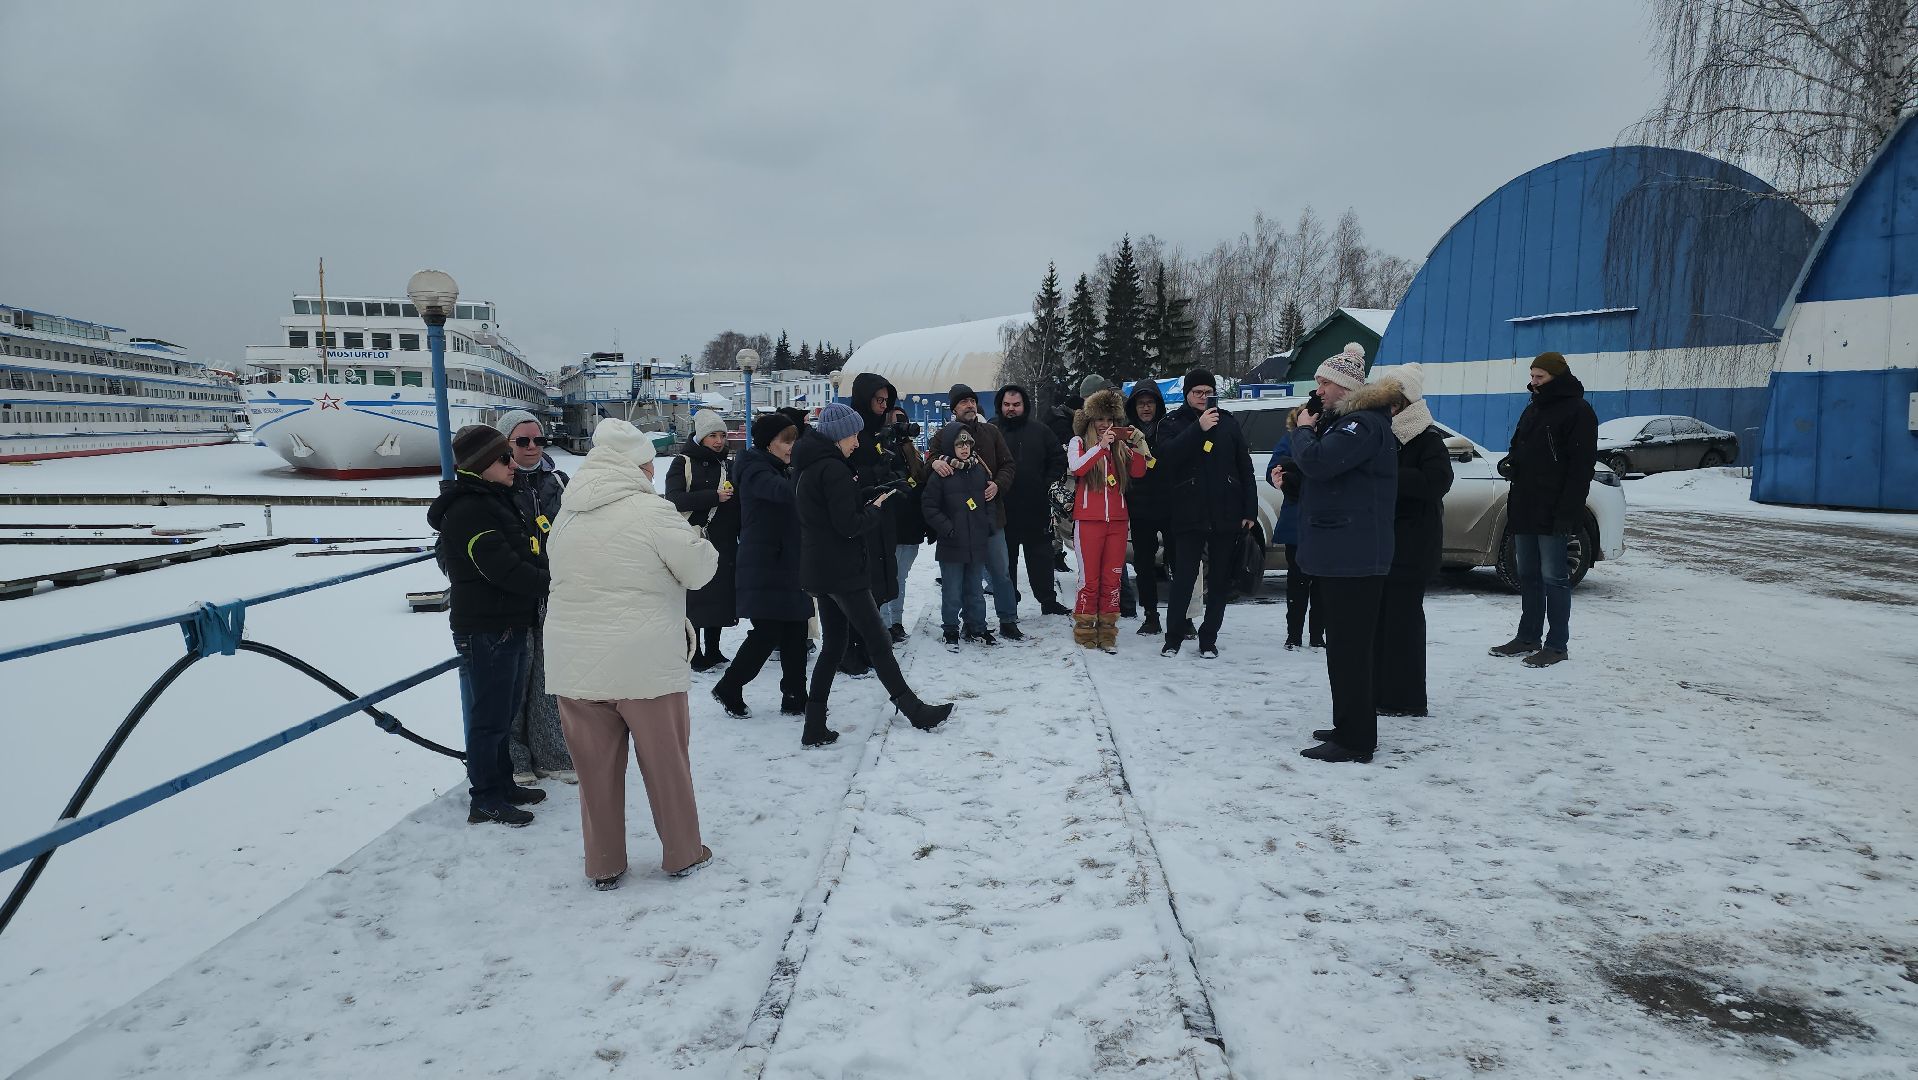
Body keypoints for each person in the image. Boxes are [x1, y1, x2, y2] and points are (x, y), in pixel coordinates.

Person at [544, 419, 717, 888]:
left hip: (574, 662)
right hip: (645, 664)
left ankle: (603, 863)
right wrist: (702, 542)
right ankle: (682, 852)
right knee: (666, 766)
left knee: (594, 773)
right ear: (640, 465)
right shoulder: (653, 511)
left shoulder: (567, 514)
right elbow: (698, 571)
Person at [794, 403, 953, 744]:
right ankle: (914, 710)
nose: (857, 442)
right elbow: (848, 524)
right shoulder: (833, 469)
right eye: (853, 435)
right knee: (878, 641)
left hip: (822, 569)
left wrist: (872, 493)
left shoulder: (812, 465)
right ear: (838, 435)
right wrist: (875, 511)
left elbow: (831, 510)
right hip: (843, 570)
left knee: (833, 646)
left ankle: (813, 724)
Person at [425, 425, 552, 827]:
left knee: (504, 712)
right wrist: (556, 581)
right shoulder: (471, 510)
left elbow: (522, 555)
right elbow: (503, 569)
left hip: (507, 621)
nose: (513, 464)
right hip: (487, 627)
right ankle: (484, 798)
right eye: (504, 458)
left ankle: (502, 784)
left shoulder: (495, 499)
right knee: (490, 718)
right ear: (481, 465)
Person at [1289, 346, 1398, 764]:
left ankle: (1355, 740)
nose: (1318, 390)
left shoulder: (1363, 424)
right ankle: (1349, 724)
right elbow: (1331, 478)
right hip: (1343, 553)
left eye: (1325, 383)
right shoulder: (1350, 423)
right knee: (1343, 648)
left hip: (1355, 556)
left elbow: (1319, 462)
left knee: (1350, 650)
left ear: (1347, 387)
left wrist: (1302, 431)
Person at [1490, 352, 1597, 668]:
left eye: (1540, 377)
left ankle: (1556, 645)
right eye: (1532, 376)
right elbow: (1521, 448)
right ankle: (1527, 637)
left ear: (1556, 376)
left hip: (1554, 509)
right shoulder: (1534, 408)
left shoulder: (1578, 411)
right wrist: (1511, 463)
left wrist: (1568, 513)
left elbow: (1580, 469)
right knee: (1528, 574)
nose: (1534, 382)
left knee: (1554, 577)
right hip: (1525, 505)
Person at [493, 409, 575, 786]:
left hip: (554, 591)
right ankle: (515, 758)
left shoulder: (558, 481)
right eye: (522, 441)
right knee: (513, 680)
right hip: (513, 593)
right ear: (504, 444)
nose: (532, 447)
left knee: (549, 676)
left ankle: (552, 753)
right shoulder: (496, 483)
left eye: (538, 440)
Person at [712, 413, 812, 719]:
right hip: (764, 564)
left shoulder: (778, 467)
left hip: (785, 562)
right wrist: (809, 475)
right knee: (767, 632)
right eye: (787, 441)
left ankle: (795, 696)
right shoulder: (755, 468)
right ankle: (729, 686)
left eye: (795, 440)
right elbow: (783, 492)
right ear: (769, 443)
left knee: (796, 629)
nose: (792, 447)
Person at [1153, 369, 1257, 658]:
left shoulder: (1229, 423)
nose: (1202, 397)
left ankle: (1209, 639)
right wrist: (1198, 428)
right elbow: (1167, 457)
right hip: (1189, 511)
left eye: (1207, 392)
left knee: (1220, 580)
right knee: (1184, 578)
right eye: (1196, 392)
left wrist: (1249, 508)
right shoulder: (1172, 423)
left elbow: (1245, 467)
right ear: (1186, 394)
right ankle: (1173, 637)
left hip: (1226, 511)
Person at [1371, 365, 1454, 715]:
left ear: (1406, 402)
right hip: (1387, 542)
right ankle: (1382, 691)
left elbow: (1438, 482)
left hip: (1413, 544)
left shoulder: (1427, 437)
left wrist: (1389, 475)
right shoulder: (1383, 434)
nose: (1387, 407)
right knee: (1383, 622)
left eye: (1393, 401)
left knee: (1403, 623)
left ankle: (1406, 698)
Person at [927, 384, 1023, 641]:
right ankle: (971, 623)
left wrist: (997, 485)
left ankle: (1008, 620)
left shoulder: (991, 432)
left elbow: (1008, 464)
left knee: (1001, 572)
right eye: (963, 402)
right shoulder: (943, 435)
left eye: (972, 400)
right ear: (954, 409)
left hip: (991, 517)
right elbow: (928, 463)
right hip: (959, 521)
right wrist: (934, 463)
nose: (969, 405)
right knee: (968, 578)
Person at [1065, 389, 1150, 651]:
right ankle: (1084, 628)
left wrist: (1138, 444)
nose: (1105, 424)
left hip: (1117, 522)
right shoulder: (1079, 442)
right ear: (1090, 420)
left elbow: (1140, 471)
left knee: (1112, 580)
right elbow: (1077, 467)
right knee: (1089, 580)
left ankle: (1108, 630)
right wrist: (1100, 448)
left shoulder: (1119, 446)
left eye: (1110, 419)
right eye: (1100, 419)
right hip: (1088, 522)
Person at [841, 373, 909, 675]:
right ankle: (849, 650)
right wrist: (875, 476)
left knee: (878, 586)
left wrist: (893, 476)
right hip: (859, 520)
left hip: (881, 517)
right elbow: (845, 475)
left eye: (886, 401)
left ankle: (866, 646)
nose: (883, 406)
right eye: (878, 400)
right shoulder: (851, 433)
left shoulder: (881, 433)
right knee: (859, 588)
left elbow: (896, 466)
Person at [664, 409, 740, 672]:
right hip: (693, 538)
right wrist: (713, 496)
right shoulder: (682, 463)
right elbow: (673, 499)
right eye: (712, 436)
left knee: (719, 597)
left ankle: (714, 649)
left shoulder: (727, 464)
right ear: (700, 436)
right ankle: (694, 652)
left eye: (722, 436)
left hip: (722, 539)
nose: (718, 441)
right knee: (695, 598)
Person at [991, 384, 1070, 617]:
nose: (1011, 409)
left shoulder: (1041, 431)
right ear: (1000, 406)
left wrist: (1046, 484)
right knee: (1006, 561)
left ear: (1024, 406)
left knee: (1041, 557)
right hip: (1002, 508)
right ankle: (1009, 603)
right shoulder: (991, 431)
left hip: (1036, 507)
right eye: (1007, 405)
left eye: (1016, 405)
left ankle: (1048, 601)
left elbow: (1058, 459)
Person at [921, 428, 997, 647]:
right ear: (950, 447)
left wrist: (987, 524)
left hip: (976, 542)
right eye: (959, 445)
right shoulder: (941, 474)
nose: (964, 449)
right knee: (952, 590)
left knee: (975, 590)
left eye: (967, 444)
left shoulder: (979, 470)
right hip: (952, 544)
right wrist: (948, 529)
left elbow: (989, 501)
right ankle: (950, 628)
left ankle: (977, 626)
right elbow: (929, 506)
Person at [1266, 405, 1325, 651]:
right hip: (1297, 522)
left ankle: (1317, 635)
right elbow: (1274, 469)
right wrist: (1288, 472)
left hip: (1325, 524)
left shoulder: (1331, 440)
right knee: (1297, 582)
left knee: (1322, 584)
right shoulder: (1291, 439)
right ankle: (1294, 635)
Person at [877, 407, 931, 644]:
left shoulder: (912, 451)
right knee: (888, 576)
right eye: (895, 421)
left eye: (903, 421)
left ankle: (896, 622)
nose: (901, 426)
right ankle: (885, 624)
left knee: (901, 577)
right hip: (890, 521)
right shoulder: (881, 448)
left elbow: (920, 481)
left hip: (911, 523)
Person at [1124, 381, 1173, 636]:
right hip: (1140, 507)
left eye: (1150, 403)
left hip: (1169, 505)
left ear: (1158, 405)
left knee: (1177, 562)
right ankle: (1151, 615)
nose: (1145, 408)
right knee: (1143, 564)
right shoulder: (1127, 434)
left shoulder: (1168, 428)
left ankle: (1184, 616)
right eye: (1141, 403)